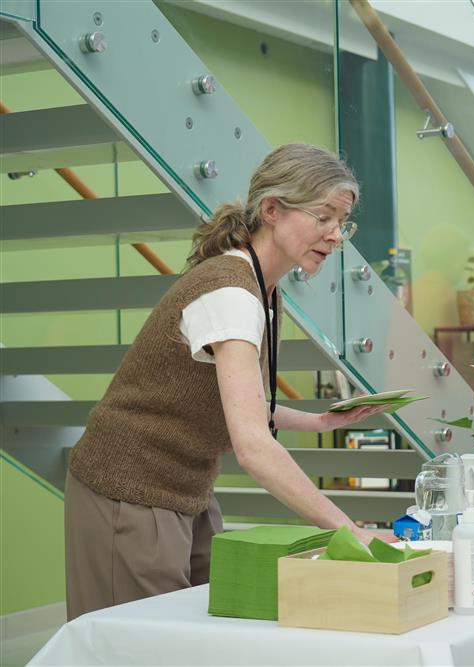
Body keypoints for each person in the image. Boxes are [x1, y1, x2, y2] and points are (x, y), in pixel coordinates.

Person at [64, 144, 392, 621]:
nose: (336, 235)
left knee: (205, 633)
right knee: (143, 649)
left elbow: (239, 402)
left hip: (188, 490)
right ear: (272, 210)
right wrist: (349, 528)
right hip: (129, 487)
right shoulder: (231, 291)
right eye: (323, 217)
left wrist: (320, 421)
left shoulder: (262, 287)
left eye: (342, 222)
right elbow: (254, 448)